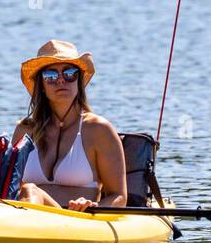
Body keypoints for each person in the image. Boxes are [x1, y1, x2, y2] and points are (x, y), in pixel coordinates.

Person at [12, 40, 128, 211]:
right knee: (28, 191)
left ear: (79, 82)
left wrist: (92, 207)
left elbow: (119, 197)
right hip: (32, 217)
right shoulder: (24, 130)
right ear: (41, 86)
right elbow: (8, 188)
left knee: (30, 189)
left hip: (79, 221)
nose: (61, 81)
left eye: (69, 74)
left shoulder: (98, 129)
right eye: (50, 76)